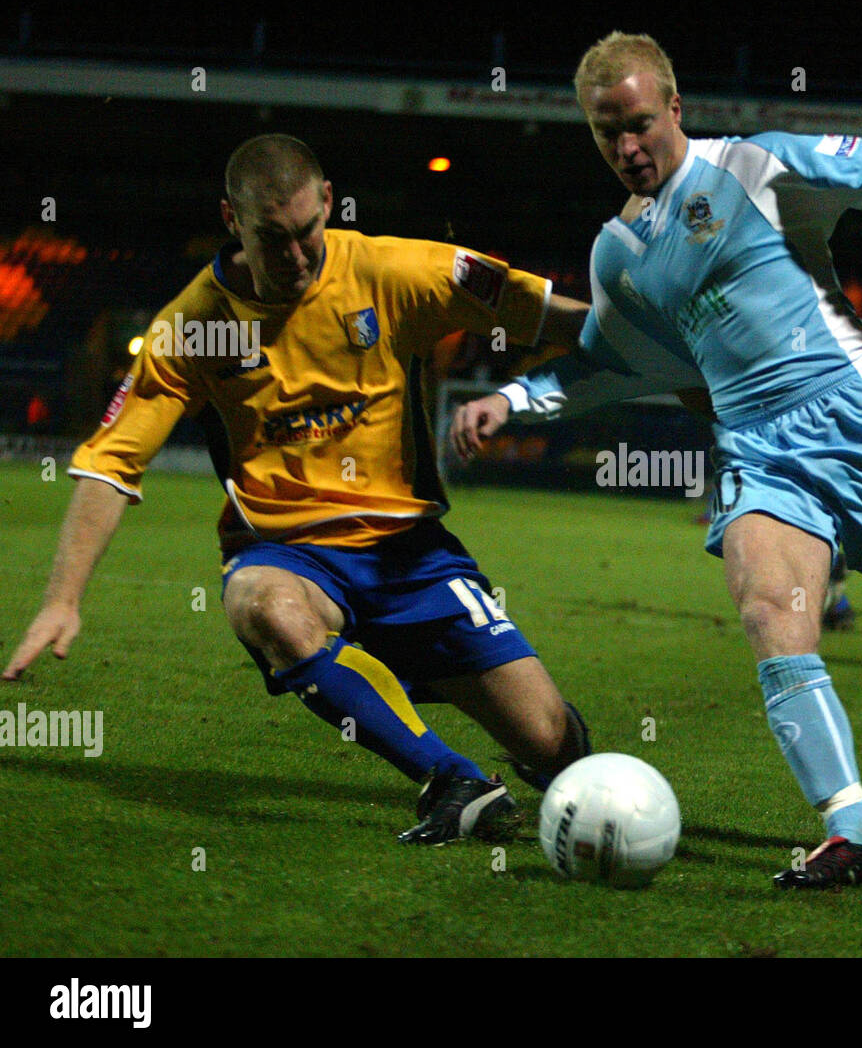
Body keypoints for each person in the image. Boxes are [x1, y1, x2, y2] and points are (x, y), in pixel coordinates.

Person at [452, 32, 862, 889]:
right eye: (606, 132)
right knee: (771, 612)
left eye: (642, 124)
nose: (627, 148)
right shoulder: (616, 253)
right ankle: (853, 835)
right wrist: (515, 400)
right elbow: (607, 363)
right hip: (761, 454)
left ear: (675, 108)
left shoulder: (756, 168)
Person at [3, 133, 593, 842]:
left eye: (308, 232)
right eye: (271, 238)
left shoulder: (396, 270)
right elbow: (110, 463)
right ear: (232, 221)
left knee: (551, 738)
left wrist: (673, 351)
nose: (295, 256)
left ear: (329, 205)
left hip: (410, 556)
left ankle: (440, 691)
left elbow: (552, 317)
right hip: (290, 553)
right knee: (266, 607)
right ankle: (453, 779)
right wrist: (62, 599)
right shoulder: (194, 325)